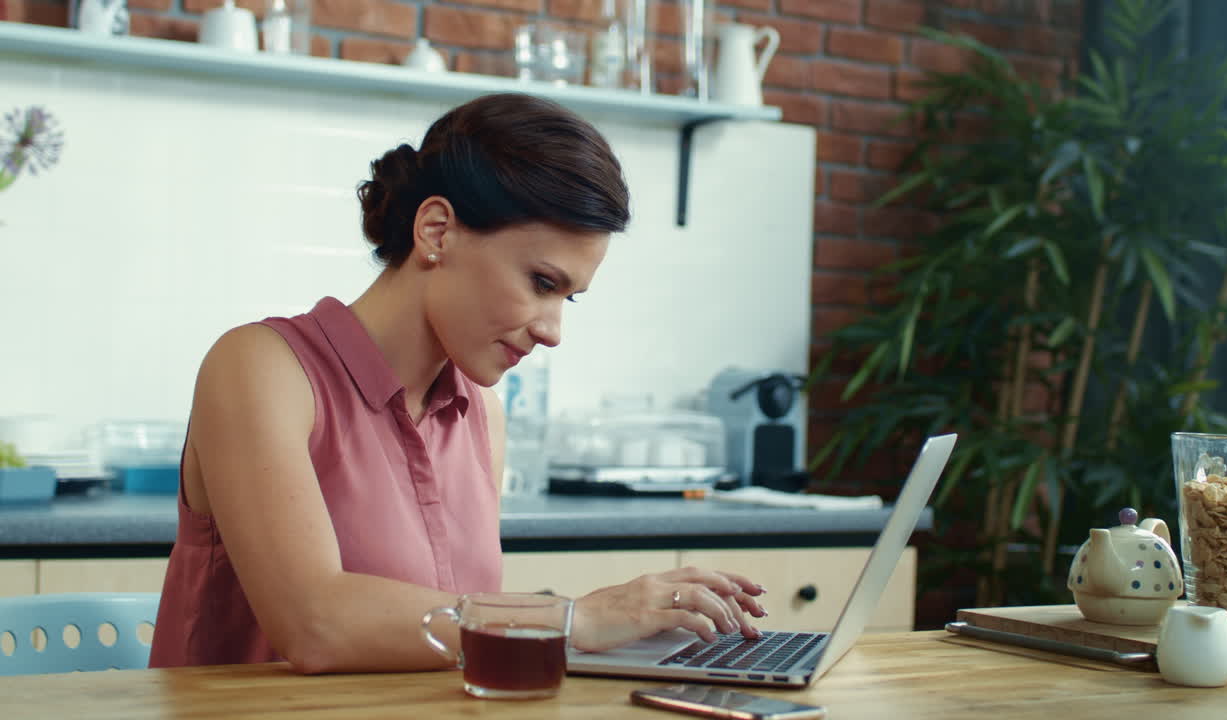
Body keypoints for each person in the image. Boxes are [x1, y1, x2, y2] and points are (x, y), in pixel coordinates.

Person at [149, 93, 766, 673]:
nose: (552, 331)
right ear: (437, 231)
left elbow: (456, 636)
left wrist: (631, 636)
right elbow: (314, 623)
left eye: (568, 297)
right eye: (541, 283)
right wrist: (574, 620)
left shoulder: (482, 416)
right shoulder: (261, 367)